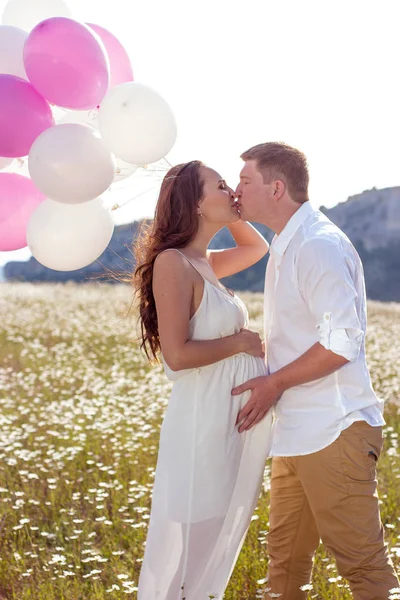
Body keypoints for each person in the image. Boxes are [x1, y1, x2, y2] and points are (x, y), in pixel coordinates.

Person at [232, 142, 400, 599]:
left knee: (365, 572)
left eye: (245, 181)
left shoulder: (318, 246)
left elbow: (343, 342)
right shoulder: (288, 244)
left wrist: (274, 382)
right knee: (284, 570)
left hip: (334, 431)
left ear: (277, 187)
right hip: (297, 434)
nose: (236, 189)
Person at [135, 160, 273, 599]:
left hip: (222, 423)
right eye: (221, 186)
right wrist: (240, 343)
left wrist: (239, 211)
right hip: (201, 425)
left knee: (205, 552)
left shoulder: (204, 261)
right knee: (190, 559)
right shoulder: (174, 263)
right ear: (196, 202)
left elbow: (257, 250)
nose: (232, 191)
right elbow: (176, 356)